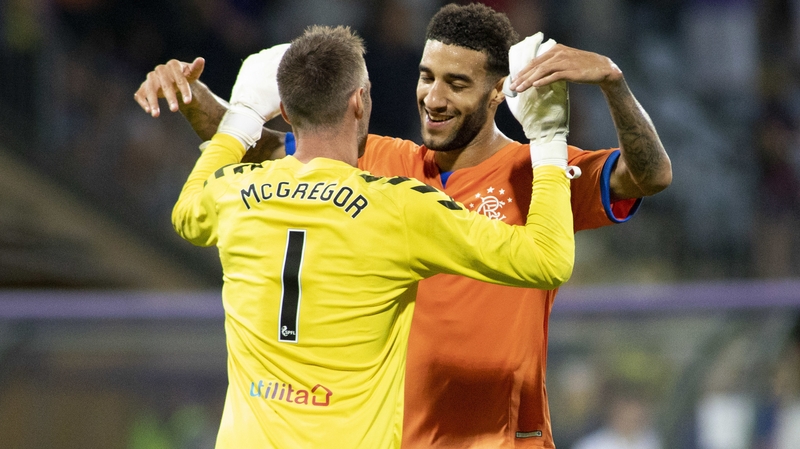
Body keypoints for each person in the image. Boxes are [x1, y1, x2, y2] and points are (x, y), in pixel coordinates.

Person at [136, 4, 672, 447]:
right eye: (426, 77)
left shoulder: (537, 175)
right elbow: (273, 147)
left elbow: (650, 174)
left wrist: (614, 86)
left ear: (498, 92)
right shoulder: (380, 166)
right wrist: (189, 95)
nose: (434, 98)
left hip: (500, 439)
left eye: (456, 83)